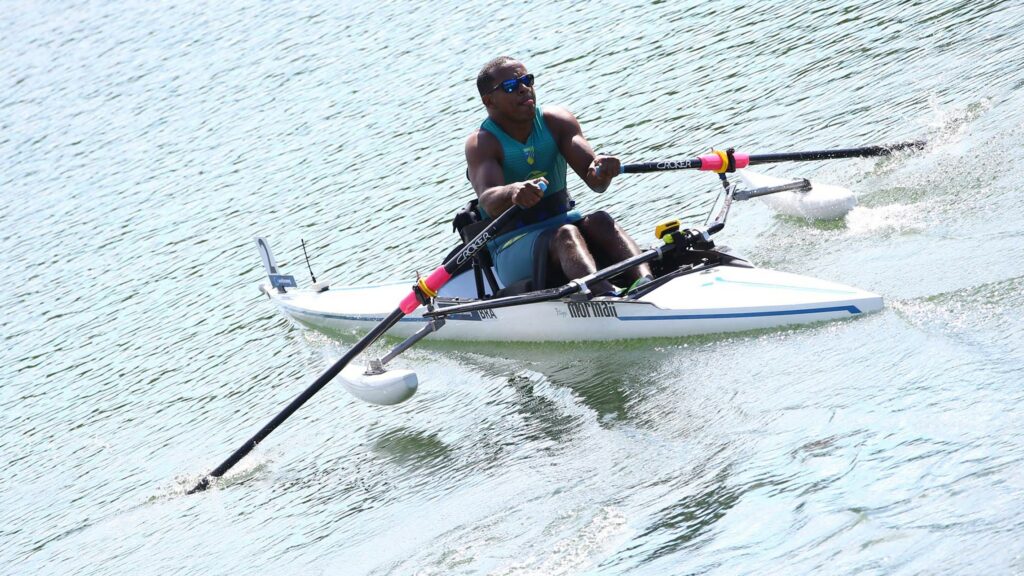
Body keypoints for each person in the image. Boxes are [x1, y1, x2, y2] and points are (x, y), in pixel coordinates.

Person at [464, 56, 653, 296]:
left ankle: (647, 283)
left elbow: (595, 182)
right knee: (566, 234)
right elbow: (488, 200)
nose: (523, 88)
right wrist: (513, 192)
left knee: (600, 220)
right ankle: (609, 296)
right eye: (511, 86)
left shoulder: (557, 121)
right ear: (489, 100)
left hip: (563, 226)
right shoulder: (482, 143)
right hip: (513, 245)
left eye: (526, 80)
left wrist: (603, 169)